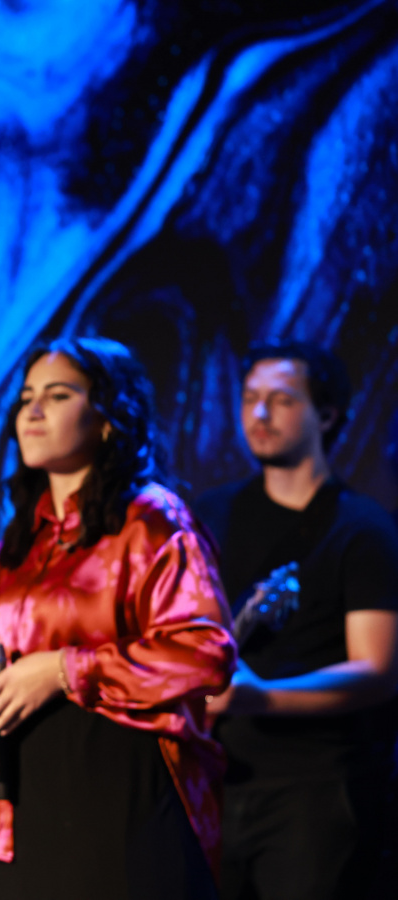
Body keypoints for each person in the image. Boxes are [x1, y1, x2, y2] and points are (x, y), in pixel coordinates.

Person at [0, 337, 235, 900]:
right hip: (24, 795)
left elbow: (206, 653)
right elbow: (9, 650)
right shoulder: (21, 536)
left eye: (58, 395)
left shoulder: (152, 519)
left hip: (124, 794)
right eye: (27, 398)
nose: (33, 411)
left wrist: (63, 669)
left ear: (110, 418)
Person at [199, 340, 398, 900]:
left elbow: (377, 670)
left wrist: (262, 697)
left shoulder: (362, 529)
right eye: (250, 398)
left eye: (282, 400)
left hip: (314, 789)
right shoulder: (211, 514)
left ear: (327, 415)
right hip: (217, 779)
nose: (259, 414)